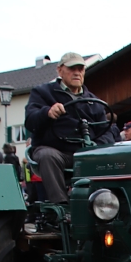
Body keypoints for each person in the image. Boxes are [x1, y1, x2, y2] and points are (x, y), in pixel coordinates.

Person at [25, 52, 114, 204]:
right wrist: (47, 113)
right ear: (60, 70)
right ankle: (61, 205)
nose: (77, 73)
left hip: (86, 153)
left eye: (80, 69)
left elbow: (108, 131)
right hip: (57, 151)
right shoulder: (42, 93)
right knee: (47, 155)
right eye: (72, 68)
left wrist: (96, 147)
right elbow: (30, 120)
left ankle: (106, 203)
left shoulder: (94, 102)